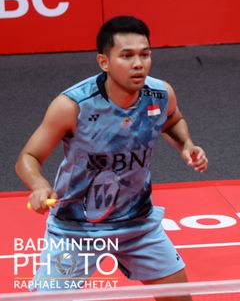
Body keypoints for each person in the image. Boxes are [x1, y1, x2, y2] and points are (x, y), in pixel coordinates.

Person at [15, 16, 208, 299]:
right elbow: (28, 156)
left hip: (138, 226)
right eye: (127, 56)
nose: (138, 64)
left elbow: (172, 120)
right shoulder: (72, 106)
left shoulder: (160, 93)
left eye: (145, 54)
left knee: (180, 298)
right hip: (75, 230)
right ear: (104, 62)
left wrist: (186, 144)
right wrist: (39, 185)